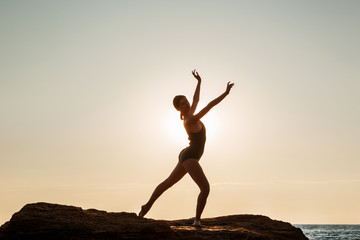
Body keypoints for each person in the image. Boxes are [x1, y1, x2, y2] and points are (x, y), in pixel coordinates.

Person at [139, 70, 234, 226]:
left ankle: (146, 206)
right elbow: (210, 105)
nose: (188, 103)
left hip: (187, 153)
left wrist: (199, 82)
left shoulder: (190, 113)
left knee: (168, 183)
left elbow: (196, 99)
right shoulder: (190, 120)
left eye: (186, 101)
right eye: (183, 103)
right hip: (189, 156)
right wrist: (226, 93)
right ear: (179, 108)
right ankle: (197, 220)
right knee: (205, 187)